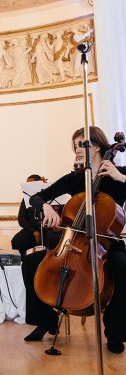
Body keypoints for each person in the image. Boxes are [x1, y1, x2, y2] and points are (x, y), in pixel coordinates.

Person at [22, 126, 126, 354]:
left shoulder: (118, 175)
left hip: (107, 244)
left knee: (123, 267)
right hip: (73, 242)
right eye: (75, 146)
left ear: (96, 147)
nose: (76, 150)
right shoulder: (75, 178)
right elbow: (36, 198)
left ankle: (115, 332)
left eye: (81, 145)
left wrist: (121, 177)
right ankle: (46, 321)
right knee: (30, 263)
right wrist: (45, 206)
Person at [11, 174, 61, 258]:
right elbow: (21, 218)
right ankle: (22, 263)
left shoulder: (53, 197)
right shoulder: (26, 198)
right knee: (18, 240)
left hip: (50, 230)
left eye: (31, 184)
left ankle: (52, 263)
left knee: (57, 241)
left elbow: (61, 215)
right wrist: (34, 231)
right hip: (32, 230)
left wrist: (57, 224)